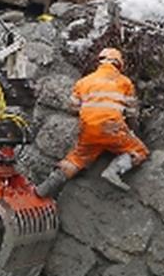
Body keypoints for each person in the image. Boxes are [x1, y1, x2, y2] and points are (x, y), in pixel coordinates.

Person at [36, 47, 149, 197]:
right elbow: (132, 113)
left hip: (89, 130)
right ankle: (114, 170)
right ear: (118, 64)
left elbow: (73, 106)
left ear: (100, 62)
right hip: (113, 128)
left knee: (76, 159)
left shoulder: (84, 82)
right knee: (140, 151)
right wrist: (134, 131)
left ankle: (44, 188)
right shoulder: (125, 82)